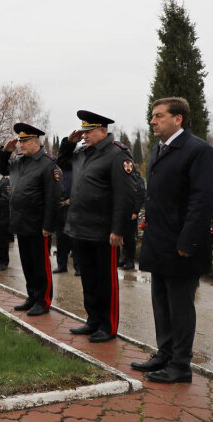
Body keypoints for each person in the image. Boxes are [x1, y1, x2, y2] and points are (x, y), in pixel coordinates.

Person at [131, 97, 213, 384]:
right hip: (160, 242)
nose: (152, 121)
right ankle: (164, 353)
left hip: (181, 245)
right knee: (161, 302)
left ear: (178, 119)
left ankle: (181, 364)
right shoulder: (160, 150)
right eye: (152, 116)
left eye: (159, 116)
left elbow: (202, 201)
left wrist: (188, 242)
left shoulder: (198, 151)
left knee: (180, 307)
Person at [57, 110, 136, 342]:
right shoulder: (82, 152)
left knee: (105, 281)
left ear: (103, 130)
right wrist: (68, 143)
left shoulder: (117, 155)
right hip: (81, 226)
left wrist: (118, 229)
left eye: (88, 131)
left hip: (103, 230)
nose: (84, 136)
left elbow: (125, 195)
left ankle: (108, 326)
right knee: (88, 278)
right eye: (82, 132)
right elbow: (63, 164)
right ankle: (92, 320)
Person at [0, 123, 61, 316]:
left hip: (38, 224)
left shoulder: (47, 163)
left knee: (40, 265)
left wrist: (48, 226)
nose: (20, 145)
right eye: (20, 141)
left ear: (35, 142)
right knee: (27, 263)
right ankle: (32, 296)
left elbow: (53, 197)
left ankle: (43, 300)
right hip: (21, 221)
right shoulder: (19, 162)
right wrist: (5, 152)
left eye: (24, 141)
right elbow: (2, 169)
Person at [53, 166, 81, 275]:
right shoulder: (58, 170)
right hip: (60, 210)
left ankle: (78, 267)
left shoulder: (77, 169)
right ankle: (61, 265)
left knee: (75, 241)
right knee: (61, 240)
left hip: (73, 210)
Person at [120, 165, 145, 270]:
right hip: (124, 212)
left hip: (132, 213)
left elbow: (140, 196)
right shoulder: (127, 179)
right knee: (124, 237)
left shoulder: (138, 180)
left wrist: (136, 211)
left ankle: (130, 261)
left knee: (130, 238)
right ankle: (125, 259)